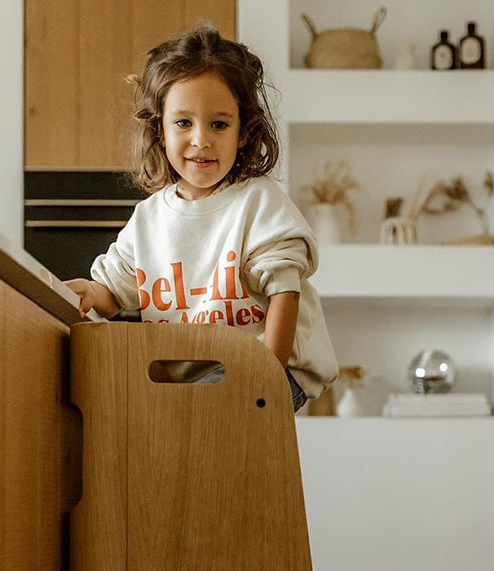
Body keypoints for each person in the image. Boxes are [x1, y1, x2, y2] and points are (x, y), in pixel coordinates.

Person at [64, 24, 336, 411]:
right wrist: (86, 293)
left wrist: (266, 376)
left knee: (187, 426)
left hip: (270, 366)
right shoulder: (149, 219)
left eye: (219, 124)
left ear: (243, 132)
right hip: (192, 377)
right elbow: (110, 295)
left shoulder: (257, 202)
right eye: (183, 123)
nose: (201, 140)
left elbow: (284, 294)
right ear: (159, 129)